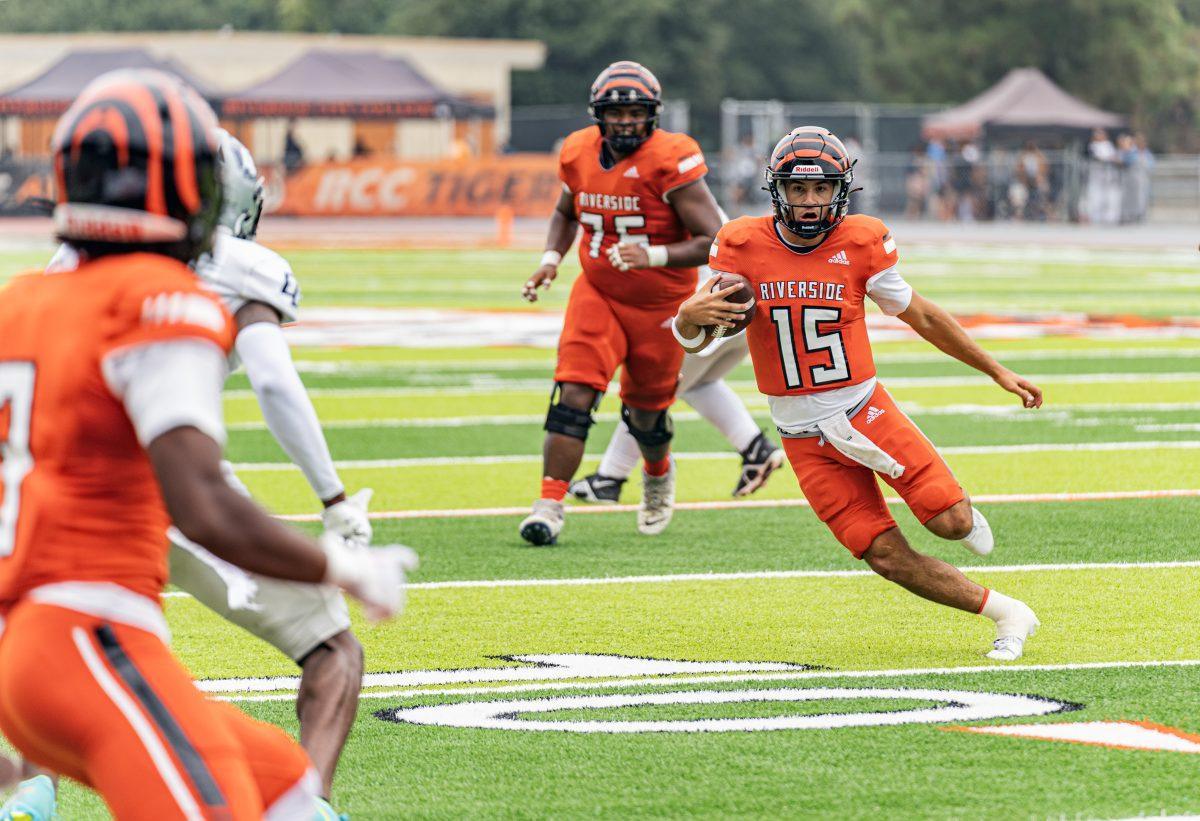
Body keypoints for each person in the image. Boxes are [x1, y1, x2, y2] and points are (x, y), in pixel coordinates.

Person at [0, 69, 417, 817]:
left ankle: (27, 789)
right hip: (88, 632)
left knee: (287, 789)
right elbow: (201, 504)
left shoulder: (23, 300)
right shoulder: (160, 299)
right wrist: (341, 563)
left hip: (26, 641)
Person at [672, 126, 1043, 661]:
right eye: (798, 190)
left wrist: (994, 370)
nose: (809, 201)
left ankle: (956, 511)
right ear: (777, 190)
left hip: (863, 411)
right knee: (884, 556)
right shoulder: (740, 243)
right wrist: (686, 319)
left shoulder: (862, 240)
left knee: (952, 523)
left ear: (840, 190)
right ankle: (1007, 611)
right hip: (800, 436)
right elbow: (700, 334)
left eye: (820, 189)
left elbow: (922, 315)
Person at [518, 61, 724, 544]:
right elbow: (566, 209)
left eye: (636, 112)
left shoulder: (672, 158)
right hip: (599, 292)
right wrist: (551, 258)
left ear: (651, 114)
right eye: (617, 112)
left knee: (646, 414)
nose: (626, 121)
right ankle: (549, 505)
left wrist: (652, 254)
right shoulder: (577, 152)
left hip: (663, 304)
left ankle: (656, 474)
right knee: (573, 396)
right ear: (599, 115)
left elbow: (714, 237)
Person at [569, 318, 785, 504]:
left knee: (648, 396)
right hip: (744, 317)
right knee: (698, 384)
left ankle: (609, 479)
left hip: (702, 318)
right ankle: (756, 448)